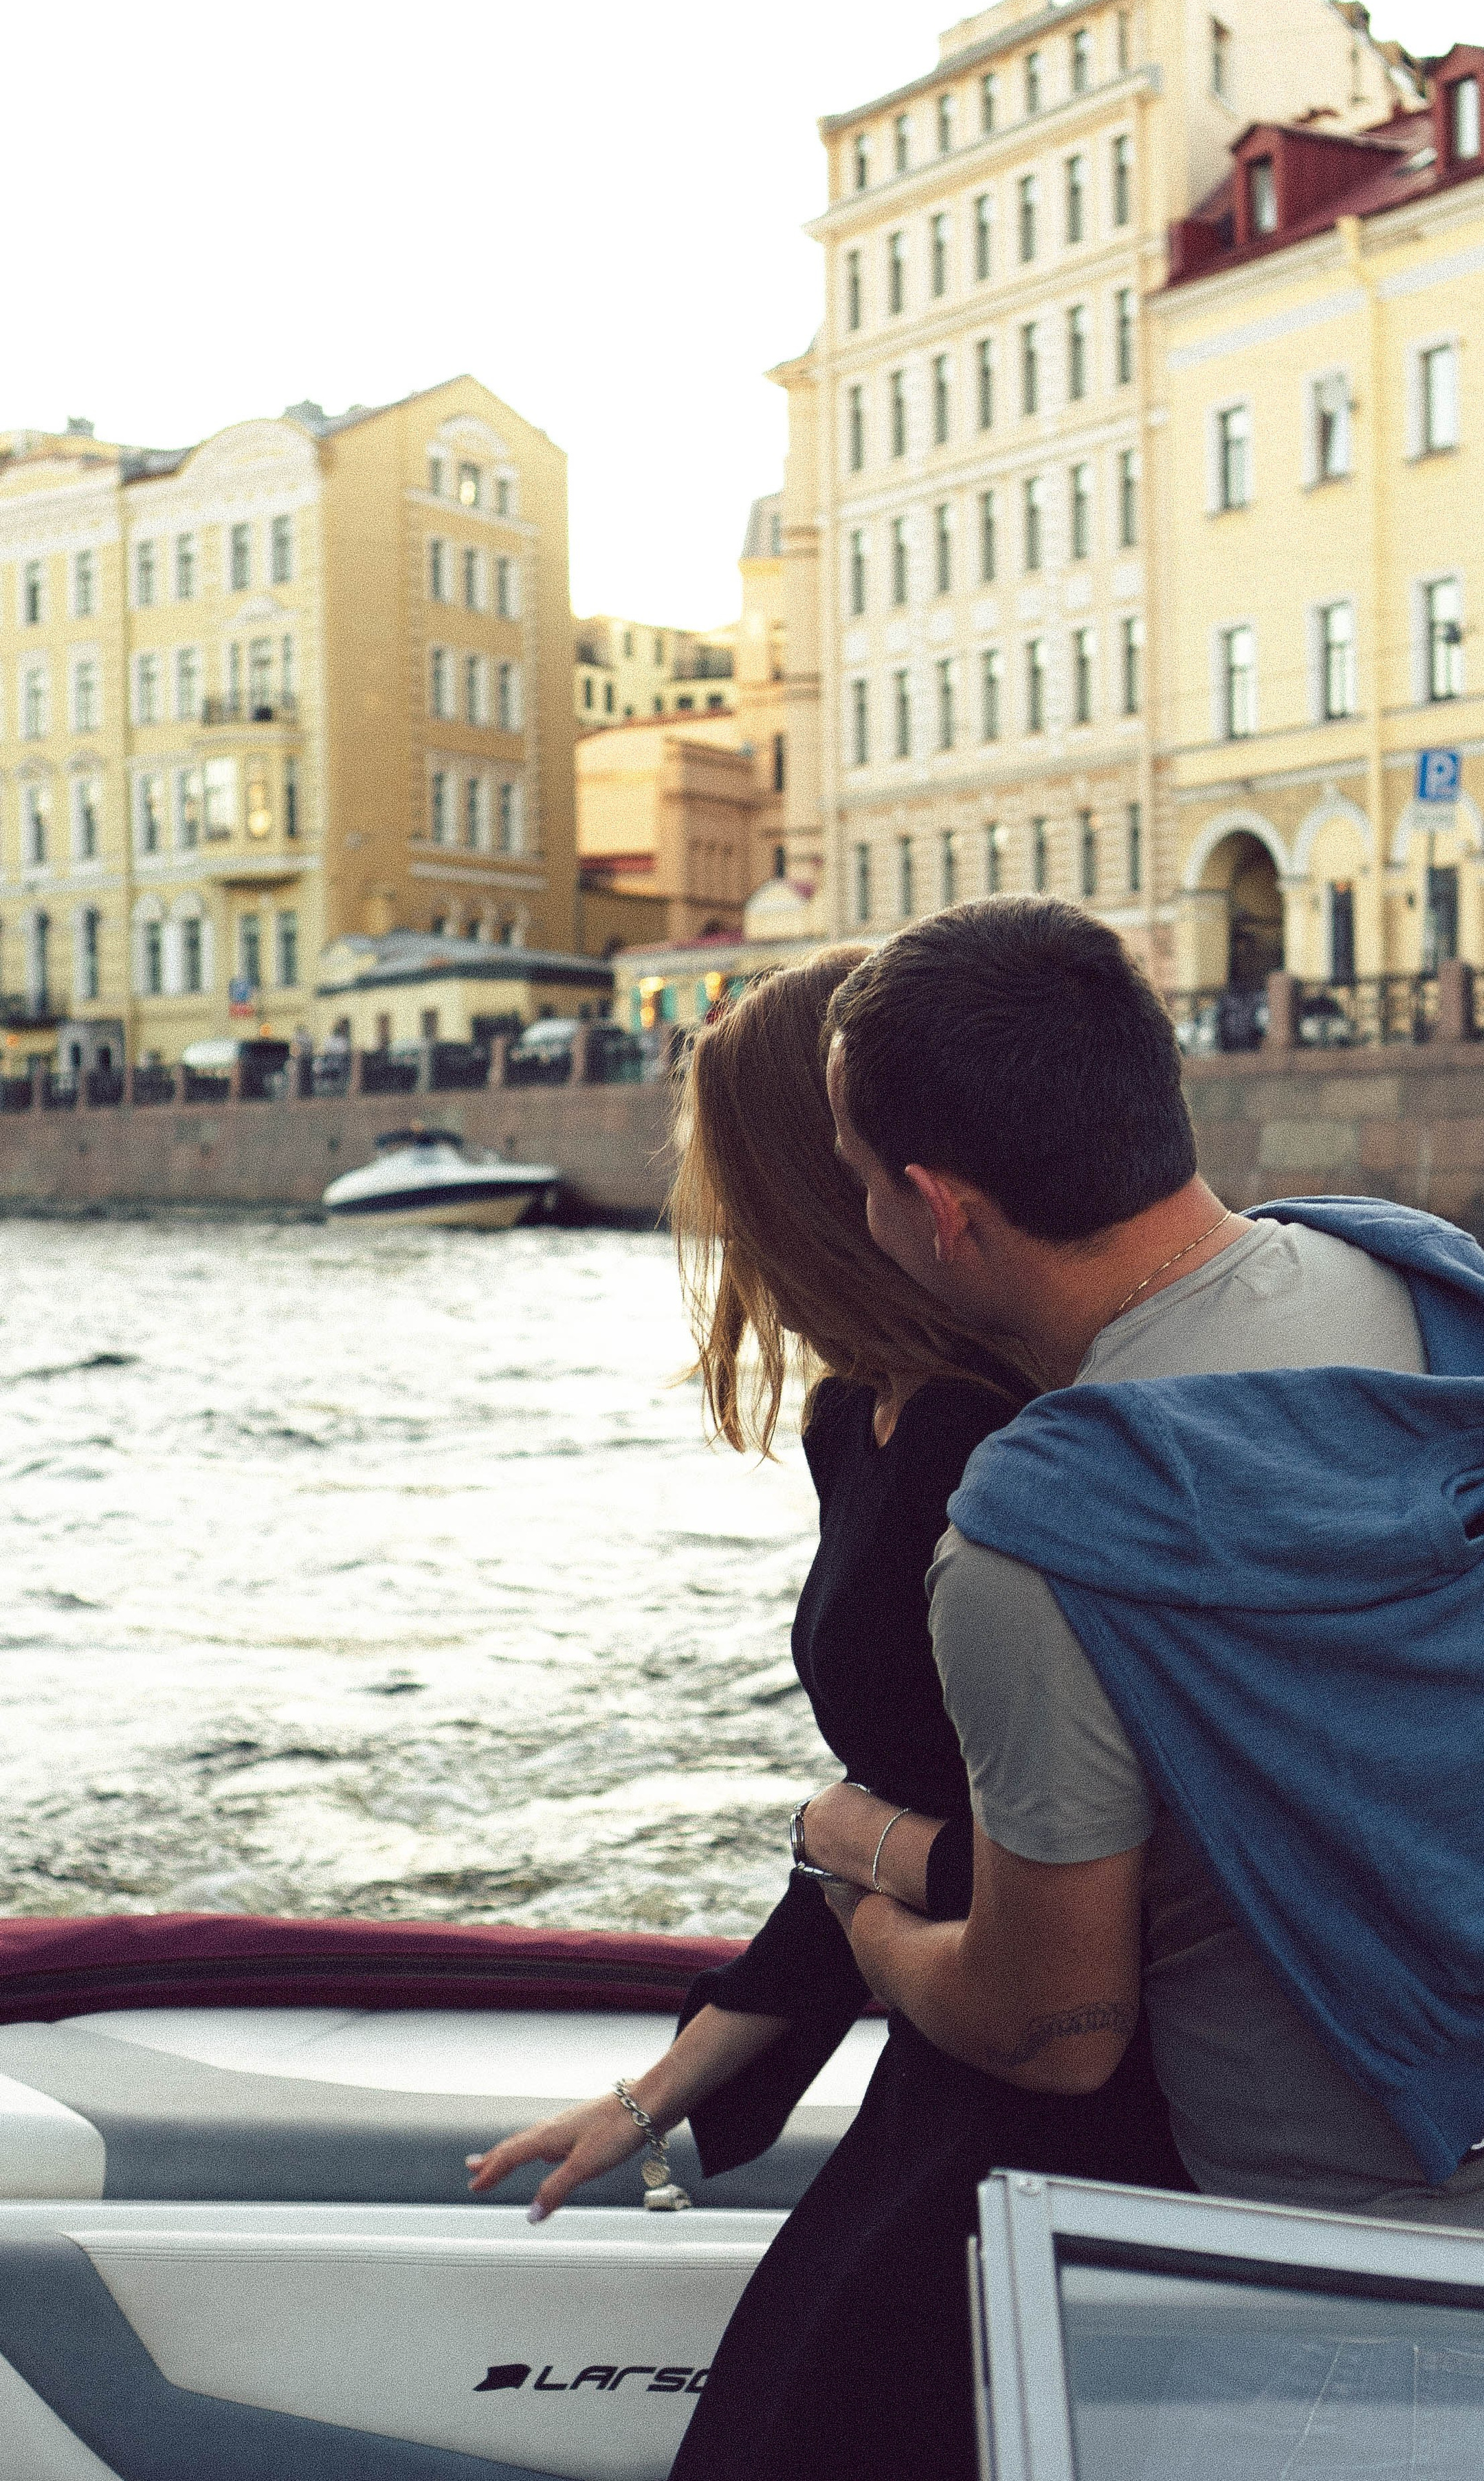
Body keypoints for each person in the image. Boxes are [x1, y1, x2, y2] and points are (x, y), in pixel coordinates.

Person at [821, 896, 1484, 2249]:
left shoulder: (1035, 1535)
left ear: (939, 1210)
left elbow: (1051, 2028)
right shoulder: (1438, 1286)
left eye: (861, 1183)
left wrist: (863, 1907)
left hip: (1343, 2271)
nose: (863, 1220)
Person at [463, 946, 1186, 2481]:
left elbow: (1060, 1860)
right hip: (952, 2031)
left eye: (730, 1177)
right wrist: (651, 2097)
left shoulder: (992, 1442)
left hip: (1073, 2075)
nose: (711, 1218)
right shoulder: (854, 1419)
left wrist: (861, 1856)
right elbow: (873, 1800)